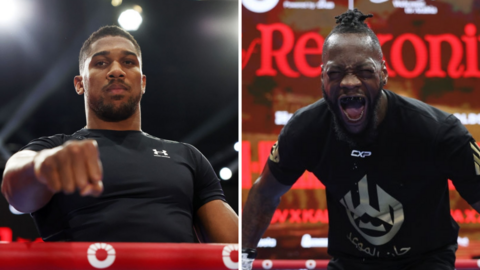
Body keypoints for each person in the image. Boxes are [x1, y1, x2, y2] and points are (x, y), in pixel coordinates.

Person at [242, 9, 480, 270]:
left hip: (426, 261)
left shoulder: (437, 131)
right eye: (335, 73)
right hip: (351, 262)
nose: (349, 82)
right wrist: (241, 261)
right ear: (322, 77)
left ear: (383, 73)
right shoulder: (305, 129)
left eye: (364, 71)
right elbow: (264, 194)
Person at [1, 25, 238, 243]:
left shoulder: (187, 156)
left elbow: (235, 247)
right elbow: (15, 194)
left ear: (143, 82)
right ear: (79, 83)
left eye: (128, 62)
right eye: (101, 63)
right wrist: (43, 165)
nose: (116, 71)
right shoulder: (55, 149)